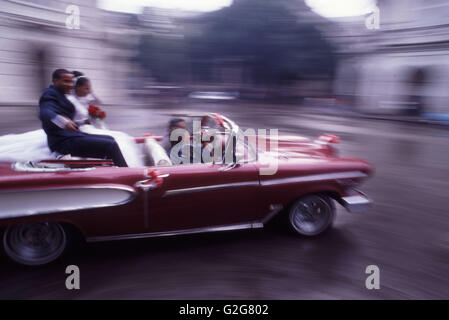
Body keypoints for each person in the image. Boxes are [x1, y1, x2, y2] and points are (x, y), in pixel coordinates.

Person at [38, 69, 128, 167]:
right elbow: (45, 112)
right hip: (62, 142)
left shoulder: (62, 95)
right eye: (66, 81)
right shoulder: (49, 93)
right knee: (110, 145)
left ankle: (113, 169)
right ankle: (127, 173)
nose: (70, 85)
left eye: (71, 82)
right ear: (55, 81)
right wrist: (63, 122)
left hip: (71, 136)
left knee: (110, 139)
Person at [65, 71, 144, 167]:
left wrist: (95, 114)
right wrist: (84, 121)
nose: (89, 91)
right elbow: (69, 121)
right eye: (86, 88)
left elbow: (96, 101)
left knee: (123, 136)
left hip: (88, 128)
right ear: (77, 87)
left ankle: (125, 166)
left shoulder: (83, 100)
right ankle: (122, 166)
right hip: (81, 130)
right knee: (117, 139)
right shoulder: (71, 101)